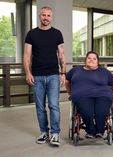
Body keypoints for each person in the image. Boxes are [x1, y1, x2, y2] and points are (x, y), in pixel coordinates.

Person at [23, 6, 66, 146]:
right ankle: (44, 132)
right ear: (39, 16)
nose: (46, 18)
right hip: (37, 76)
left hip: (53, 75)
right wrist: (28, 72)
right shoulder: (31, 34)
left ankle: (55, 134)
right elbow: (27, 55)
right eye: (43, 15)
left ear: (51, 17)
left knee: (54, 105)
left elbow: (61, 54)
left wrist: (63, 73)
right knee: (40, 107)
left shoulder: (57, 33)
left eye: (48, 15)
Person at [65, 51, 113, 138]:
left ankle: (99, 131)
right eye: (89, 58)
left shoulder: (104, 72)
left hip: (103, 95)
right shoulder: (76, 70)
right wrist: (70, 92)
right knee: (87, 112)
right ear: (85, 60)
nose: (91, 60)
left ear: (98, 62)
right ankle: (91, 131)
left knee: (100, 112)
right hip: (82, 96)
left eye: (94, 59)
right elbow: (67, 80)